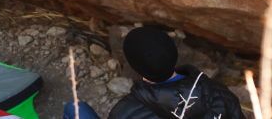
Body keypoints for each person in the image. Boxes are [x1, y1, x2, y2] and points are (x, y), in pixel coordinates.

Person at [64, 26, 245, 119]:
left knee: (75, 108)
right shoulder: (221, 94)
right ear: (174, 54)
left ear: (135, 67)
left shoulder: (126, 112)